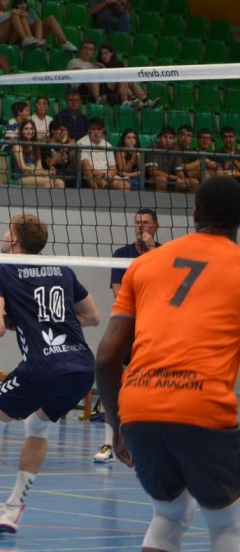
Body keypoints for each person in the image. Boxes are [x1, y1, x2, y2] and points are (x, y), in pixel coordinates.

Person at [95, 177, 240, 552]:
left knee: (170, 515)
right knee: (228, 526)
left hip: (139, 407)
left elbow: (107, 356)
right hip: (202, 405)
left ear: (194, 214)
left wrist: (117, 424)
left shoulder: (144, 265)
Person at [0, 214, 101, 538]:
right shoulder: (63, 271)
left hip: (42, 366)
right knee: (38, 424)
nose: (4, 233)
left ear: (15, 240)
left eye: (8, 229)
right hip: (81, 368)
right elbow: (93, 316)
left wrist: (0, 316)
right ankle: (12, 509)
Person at [92, 209, 162, 463]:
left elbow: (167, 287)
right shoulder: (122, 255)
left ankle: (154, 442)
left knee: (156, 387)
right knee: (113, 384)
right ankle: (108, 444)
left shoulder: (164, 254)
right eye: (137, 222)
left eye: (145, 222)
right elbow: (119, 294)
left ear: (156, 226)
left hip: (156, 331)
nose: (140, 226)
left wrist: (152, 250)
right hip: (128, 329)